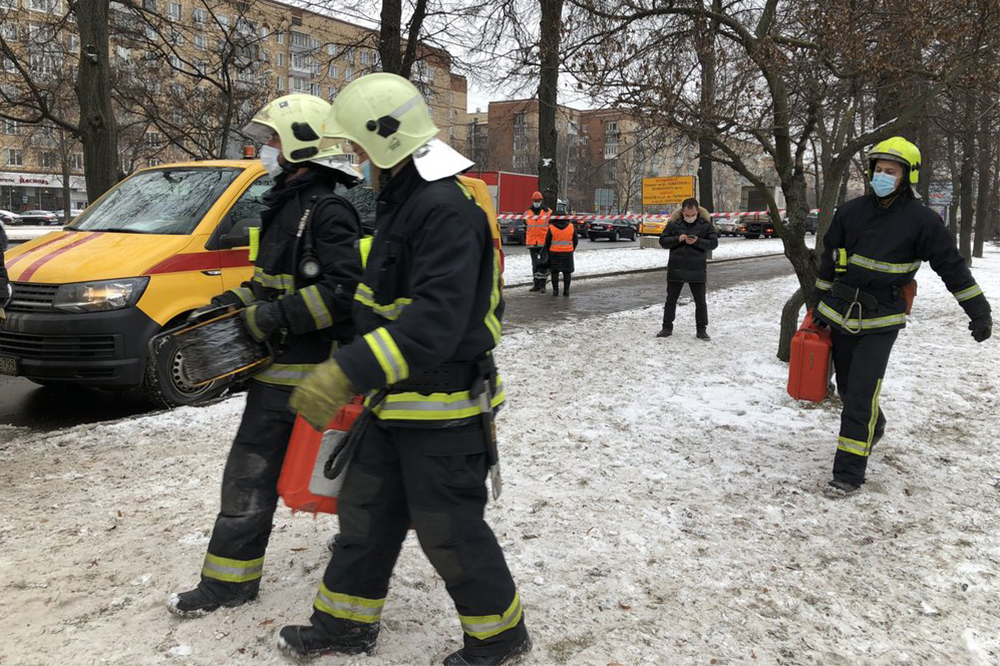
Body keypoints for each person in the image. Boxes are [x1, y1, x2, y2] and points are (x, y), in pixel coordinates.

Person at [277, 73, 531, 665]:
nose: (357, 162)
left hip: (444, 410)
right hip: (393, 406)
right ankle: (342, 627)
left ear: (386, 143)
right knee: (365, 519)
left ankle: (500, 638)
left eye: (361, 150)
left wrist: (347, 372)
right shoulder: (407, 200)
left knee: (450, 531)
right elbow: (378, 301)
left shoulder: (443, 209)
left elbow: (435, 323)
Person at [167, 94, 364, 617]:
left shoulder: (327, 210)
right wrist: (234, 304)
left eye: (272, 141)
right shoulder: (286, 205)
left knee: (281, 472)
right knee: (260, 474)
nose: (264, 150)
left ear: (300, 144)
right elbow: (272, 283)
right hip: (278, 371)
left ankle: (236, 582)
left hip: (310, 375)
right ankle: (233, 580)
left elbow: (344, 294)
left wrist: (273, 318)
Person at [808, 136, 992, 495]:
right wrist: (817, 305)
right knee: (848, 389)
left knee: (861, 393)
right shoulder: (851, 211)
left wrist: (979, 312)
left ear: (908, 176)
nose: (882, 176)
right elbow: (828, 260)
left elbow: (952, 268)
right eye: (878, 169)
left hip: (881, 319)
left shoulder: (922, 221)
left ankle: (847, 475)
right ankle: (873, 427)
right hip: (841, 313)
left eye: (890, 171)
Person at [656, 198, 718, 340]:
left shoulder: (706, 225)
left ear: (697, 211)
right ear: (682, 211)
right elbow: (663, 241)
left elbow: (713, 243)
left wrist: (698, 241)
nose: (689, 218)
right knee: (670, 300)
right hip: (676, 268)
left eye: (692, 215)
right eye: (687, 215)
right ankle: (666, 328)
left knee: (700, 301)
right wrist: (678, 238)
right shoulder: (673, 224)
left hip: (697, 269)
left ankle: (701, 330)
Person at [524, 191, 551, 293]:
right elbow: (525, 225)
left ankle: (542, 285)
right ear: (532, 201)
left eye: (538, 201)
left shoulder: (548, 212)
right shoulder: (527, 212)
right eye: (535, 201)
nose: (536, 202)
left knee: (543, 265)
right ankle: (536, 284)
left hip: (543, 242)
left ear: (541, 201)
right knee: (535, 265)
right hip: (532, 243)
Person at [544, 214, 578, 296]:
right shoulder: (571, 226)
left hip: (554, 253)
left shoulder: (552, 227)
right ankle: (566, 291)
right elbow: (575, 240)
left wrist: (548, 250)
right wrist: (571, 248)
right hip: (568, 253)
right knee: (567, 273)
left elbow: (547, 241)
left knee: (554, 273)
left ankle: (555, 291)